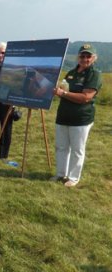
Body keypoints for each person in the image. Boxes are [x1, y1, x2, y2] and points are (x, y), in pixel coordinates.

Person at [51, 44, 102, 187]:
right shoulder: (71, 72)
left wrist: (64, 93)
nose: (85, 58)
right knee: (61, 147)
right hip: (63, 116)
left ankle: (73, 177)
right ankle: (61, 174)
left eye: (88, 56)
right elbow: (64, 91)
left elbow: (86, 97)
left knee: (77, 149)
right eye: (82, 55)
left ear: (93, 58)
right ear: (78, 57)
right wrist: (58, 91)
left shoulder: (94, 74)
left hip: (81, 119)